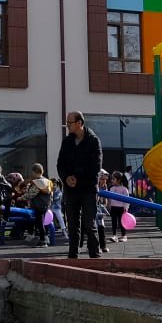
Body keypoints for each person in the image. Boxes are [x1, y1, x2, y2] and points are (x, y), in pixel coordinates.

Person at [56, 111, 104, 259]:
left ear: (79, 123)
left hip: (88, 189)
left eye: (69, 122)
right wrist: (66, 178)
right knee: (72, 224)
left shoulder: (93, 141)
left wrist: (79, 178)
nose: (67, 125)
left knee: (89, 223)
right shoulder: (67, 142)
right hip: (71, 190)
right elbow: (60, 164)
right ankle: (73, 255)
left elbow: (96, 166)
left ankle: (94, 254)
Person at [23, 163, 53, 245]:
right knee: (43, 222)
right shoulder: (47, 181)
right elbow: (51, 194)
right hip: (45, 205)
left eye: (32, 172)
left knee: (39, 223)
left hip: (38, 205)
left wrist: (21, 198)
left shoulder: (38, 182)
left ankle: (43, 241)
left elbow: (31, 194)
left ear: (34, 172)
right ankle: (46, 238)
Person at [107, 171, 132, 241]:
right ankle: (114, 235)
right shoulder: (111, 188)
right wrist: (109, 205)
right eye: (112, 179)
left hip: (121, 208)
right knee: (114, 222)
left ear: (119, 180)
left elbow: (127, 199)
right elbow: (110, 198)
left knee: (122, 223)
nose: (112, 180)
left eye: (113, 179)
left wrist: (126, 208)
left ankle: (124, 236)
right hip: (113, 208)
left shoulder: (124, 189)